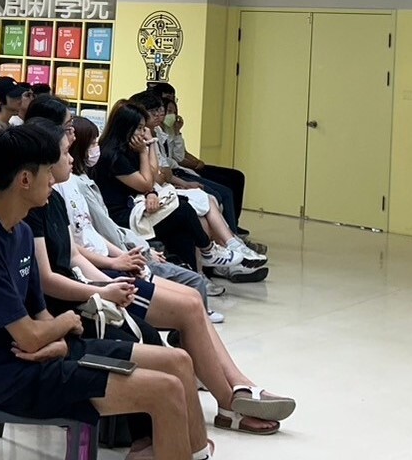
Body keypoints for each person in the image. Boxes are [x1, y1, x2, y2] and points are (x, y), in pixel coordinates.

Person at [0, 126, 279, 460]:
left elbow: (40, 319)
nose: (54, 180)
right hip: (10, 379)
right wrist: (61, 330)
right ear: (24, 179)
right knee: (163, 392)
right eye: (49, 171)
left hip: (45, 357)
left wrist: (58, 335)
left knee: (178, 363)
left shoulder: (23, 232)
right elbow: (29, 337)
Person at [25, 118, 295, 440]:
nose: (71, 155)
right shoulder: (38, 203)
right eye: (65, 149)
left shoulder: (54, 197)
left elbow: (74, 253)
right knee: (187, 309)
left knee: (193, 298)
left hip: (100, 277)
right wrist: (105, 284)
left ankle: (238, 385)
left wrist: (115, 269)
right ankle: (229, 401)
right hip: (88, 290)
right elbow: (52, 274)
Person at [56, 115, 225, 322]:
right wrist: (127, 259)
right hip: (115, 247)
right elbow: (97, 233)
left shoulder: (78, 180)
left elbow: (158, 177)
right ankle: (211, 253)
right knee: (185, 215)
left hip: (120, 245)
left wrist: (150, 147)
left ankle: (216, 254)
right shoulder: (100, 165)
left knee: (197, 213)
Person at [94, 104, 262, 282]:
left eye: (144, 128)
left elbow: (153, 174)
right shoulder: (112, 155)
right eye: (140, 128)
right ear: (125, 128)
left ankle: (195, 277)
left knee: (184, 228)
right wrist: (145, 153)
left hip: (138, 204)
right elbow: (147, 182)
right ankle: (208, 250)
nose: (143, 133)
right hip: (123, 215)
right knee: (183, 210)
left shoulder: (130, 149)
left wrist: (150, 146)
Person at [151, 83, 249, 240]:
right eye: (165, 110)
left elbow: (178, 154)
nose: (166, 114)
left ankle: (231, 232)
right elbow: (173, 161)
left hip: (177, 171)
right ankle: (229, 237)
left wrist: (178, 132)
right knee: (218, 193)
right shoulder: (154, 133)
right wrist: (192, 167)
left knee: (233, 179)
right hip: (176, 173)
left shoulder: (167, 129)